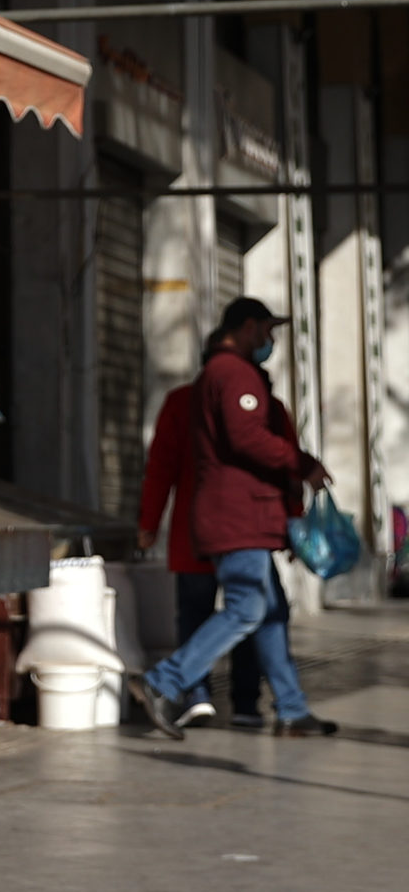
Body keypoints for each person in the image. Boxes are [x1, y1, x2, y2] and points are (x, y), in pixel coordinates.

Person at [128, 298, 335, 741]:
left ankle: (292, 709)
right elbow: (246, 439)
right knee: (246, 607)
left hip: (243, 517)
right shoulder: (232, 374)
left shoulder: (217, 379)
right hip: (237, 516)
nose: (270, 340)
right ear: (246, 327)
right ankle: (163, 681)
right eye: (266, 330)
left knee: (272, 611)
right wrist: (304, 464)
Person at [138, 355, 262, 728]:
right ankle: (239, 701)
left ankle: (198, 695)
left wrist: (149, 523)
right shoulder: (253, 400)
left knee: (208, 613)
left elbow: (160, 467)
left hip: (196, 532)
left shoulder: (183, 402)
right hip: (239, 529)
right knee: (249, 611)